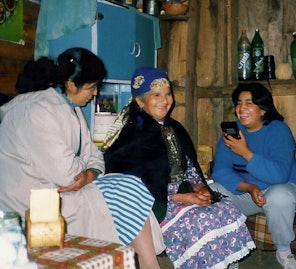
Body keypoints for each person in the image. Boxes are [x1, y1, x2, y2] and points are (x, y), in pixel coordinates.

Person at [0, 48, 160, 268]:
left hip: (60, 188)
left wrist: (89, 174)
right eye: (92, 87)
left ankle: (147, 263)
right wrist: (84, 173)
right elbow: (68, 176)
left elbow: (94, 157)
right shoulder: (37, 111)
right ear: (70, 84)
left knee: (131, 186)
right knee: (127, 193)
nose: (95, 94)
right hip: (31, 201)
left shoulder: (70, 108)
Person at [102, 67, 255, 268]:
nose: (164, 101)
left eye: (168, 95)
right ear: (140, 101)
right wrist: (181, 198)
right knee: (201, 221)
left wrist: (200, 188)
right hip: (154, 204)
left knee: (224, 209)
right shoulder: (132, 135)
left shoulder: (173, 127)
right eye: (156, 95)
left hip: (182, 191)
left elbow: (189, 165)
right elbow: (130, 188)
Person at [211, 83, 296, 269]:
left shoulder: (279, 130)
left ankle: (284, 252)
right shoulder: (232, 133)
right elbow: (220, 172)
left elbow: (279, 175)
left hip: (279, 189)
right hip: (247, 193)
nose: (241, 108)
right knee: (213, 192)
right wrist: (249, 188)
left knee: (279, 196)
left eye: (249, 103)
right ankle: (230, 255)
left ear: (262, 110)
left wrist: (245, 152)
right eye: (238, 103)